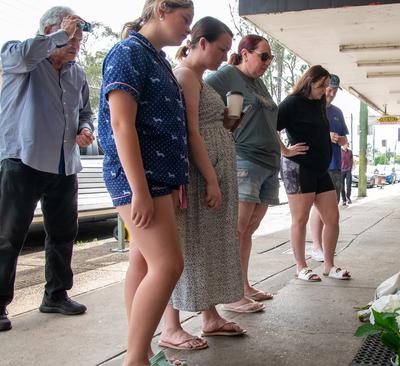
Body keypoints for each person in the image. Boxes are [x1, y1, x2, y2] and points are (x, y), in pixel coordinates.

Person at [97, 1, 194, 364]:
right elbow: (122, 125)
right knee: (168, 265)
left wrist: (176, 176)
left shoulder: (156, 58)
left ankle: (142, 350)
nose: (187, 29)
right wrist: (139, 190)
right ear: (162, 10)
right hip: (139, 176)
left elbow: (165, 126)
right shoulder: (128, 53)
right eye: (185, 20)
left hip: (158, 176)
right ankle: (135, 359)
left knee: (142, 262)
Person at [0, 6, 93, 332]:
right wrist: (56, 36)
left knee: (64, 233)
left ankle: (56, 294)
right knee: (7, 237)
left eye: (79, 39)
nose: (76, 43)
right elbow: (21, 55)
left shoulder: (77, 73)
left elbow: (85, 112)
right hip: (22, 160)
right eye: (70, 36)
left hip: (64, 164)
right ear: (49, 32)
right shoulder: (18, 56)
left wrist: (85, 129)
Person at [158, 16, 248, 352]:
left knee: (207, 246)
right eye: (222, 48)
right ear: (202, 43)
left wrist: (227, 119)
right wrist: (211, 179)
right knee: (188, 245)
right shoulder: (185, 75)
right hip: (200, 176)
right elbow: (191, 132)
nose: (226, 56)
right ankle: (171, 326)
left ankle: (209, 316)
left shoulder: (200, 79)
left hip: (213, 170)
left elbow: (206, 125)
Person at [205, 34, 284, 312]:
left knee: (249, 229)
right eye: (264, 56)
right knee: (236, 230)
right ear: (245, 53)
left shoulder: (257, 82)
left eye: (270, 58)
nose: (267, 62)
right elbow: (197, 95)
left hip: (268, 163)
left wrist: (283, 151)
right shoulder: (226, 75)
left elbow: (269, 121)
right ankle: (230, 294)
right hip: (244, 159)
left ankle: (243, 285)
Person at [277, 65, 351, 282]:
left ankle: (329, 266)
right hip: (298, 168)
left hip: (321, 168)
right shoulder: (292, 103)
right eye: (321, 86)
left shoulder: (319, 103)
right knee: (300, 219)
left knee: (333, 217)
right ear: (309, 82)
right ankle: (301, 267)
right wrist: (285, 150)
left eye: (327, 86)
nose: (325, 90)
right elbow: (269, 126)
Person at [308, 75, 348, 262]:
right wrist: (325, 135)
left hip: (335, 165)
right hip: (317, 164)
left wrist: (340, 140)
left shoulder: (338, 113)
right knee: (319, 206)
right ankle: (316, 246)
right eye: (328, 89)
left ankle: (325, 249)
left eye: (334, 90)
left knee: (332, 208)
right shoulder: (310, 108)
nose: (331, 94)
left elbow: (345, 140)